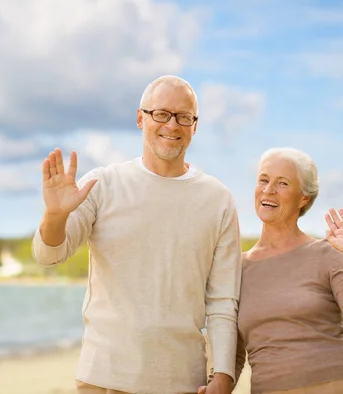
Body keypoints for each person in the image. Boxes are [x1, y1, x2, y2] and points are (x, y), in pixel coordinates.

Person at [32, 75, 242, 394]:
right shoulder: (102, 184)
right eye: (161, 113)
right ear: (140, 118)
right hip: (104, 377)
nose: (172, 125)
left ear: (195, 126)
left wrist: (223, 375)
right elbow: (49, 254)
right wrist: (55, 215)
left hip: (184, 380)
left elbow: (223, 300)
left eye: (184, 117)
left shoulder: (218, 199)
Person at [201, 147, 343, 394]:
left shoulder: (327, 253)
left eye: (282, 183)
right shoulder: (237, 268)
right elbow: (233, 352)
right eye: (263, 180)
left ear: (303, 198)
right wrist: (217, 383)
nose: (268, 190)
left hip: (334, 386)